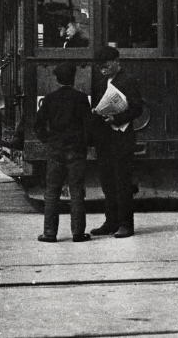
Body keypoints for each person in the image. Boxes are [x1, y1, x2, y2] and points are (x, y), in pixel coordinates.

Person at [89, 46, 144, 238]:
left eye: (106, 66)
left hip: (122, 137)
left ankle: (126, 224)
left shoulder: (127, 80)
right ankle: (110, 222)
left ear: (116, 61)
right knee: (107, 182)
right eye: (100, 67)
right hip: (104, 138)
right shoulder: (101, 80)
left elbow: (137, 108)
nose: (103, 70)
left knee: (122, 182)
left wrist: (118, 119)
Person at [35, 62, 93, 243]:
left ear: (57, 79)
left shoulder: (50, 98)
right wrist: (85, 143)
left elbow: (38, 125)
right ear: (73, 79)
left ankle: (50, 233)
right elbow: (88, 125)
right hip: (76, 150)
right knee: (76, 191)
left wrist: (48, 141)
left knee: (52, 191)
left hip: (56, 150)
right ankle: (78, 233)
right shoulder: (81, 98)